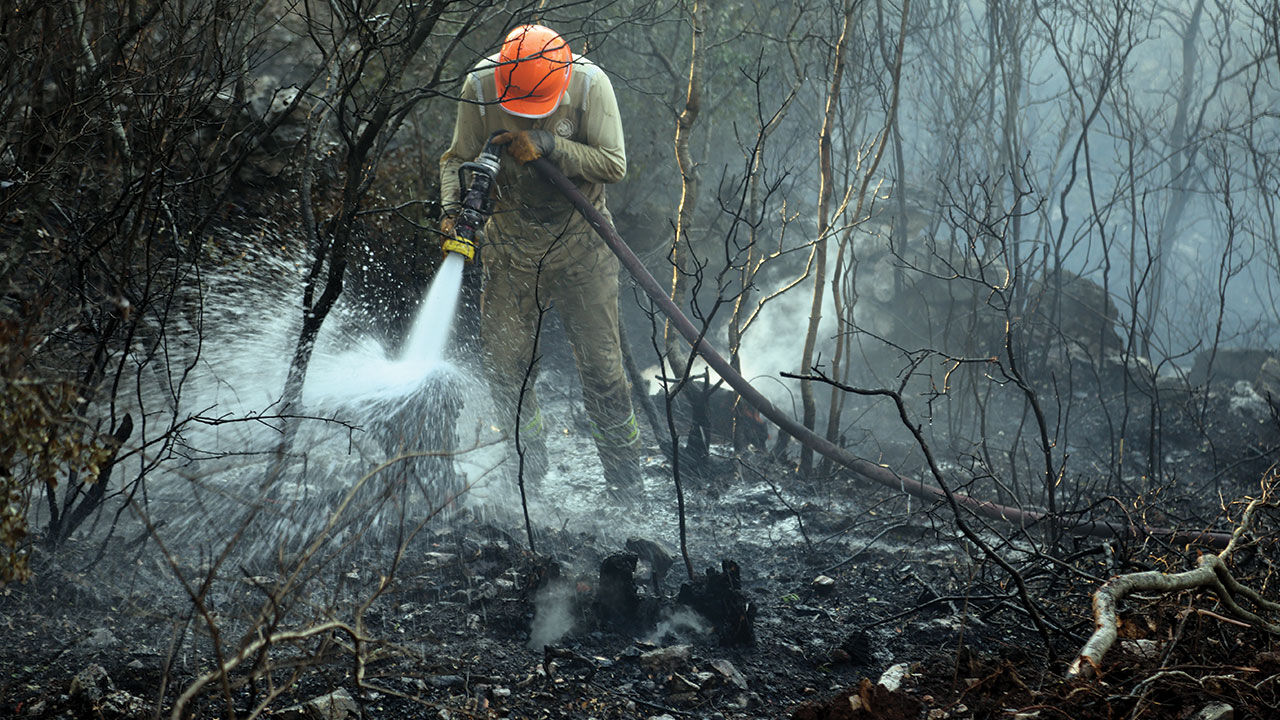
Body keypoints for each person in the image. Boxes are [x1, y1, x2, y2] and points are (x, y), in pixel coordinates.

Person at [438, 24, 643, 499]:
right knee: (506, 368)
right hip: (510, 244)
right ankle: (528, 476)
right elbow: (457, 159)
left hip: (582, 245)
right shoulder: (481, 85)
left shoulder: (590, 85)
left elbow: (614, 164)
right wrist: (453, 211)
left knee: (603, 373)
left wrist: (549, 146)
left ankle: (626, 486)